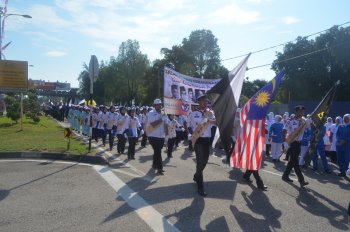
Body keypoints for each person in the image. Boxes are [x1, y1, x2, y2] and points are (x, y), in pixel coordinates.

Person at [188, 94, 216, 196]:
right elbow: (189, 125)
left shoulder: (210, 113)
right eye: (203, 101)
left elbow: (216, 123)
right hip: (198, 139)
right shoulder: (193, 113)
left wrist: (210, 120)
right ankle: (200, 187)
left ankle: (196, 175)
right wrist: (192, 133)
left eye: (206, 101)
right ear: (199, 102)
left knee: (205, 161)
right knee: (200, 161)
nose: (205, 103)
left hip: (207, 139)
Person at [282, 105, 309, 188]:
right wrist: (285, 142)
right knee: (295, 161)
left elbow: (311, 127)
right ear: (296, 112)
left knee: (292, 161)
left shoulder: (304, 121)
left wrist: (311, 120)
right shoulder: (290, 120)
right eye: (299, 112)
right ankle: (301, 180)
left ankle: (285, 176)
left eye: (302, 112)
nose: (301, 113)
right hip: (292, 142)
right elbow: (284, 130)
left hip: (298, 142)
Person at [146, 99, 167, 175]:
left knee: (157, 151)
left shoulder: (163, 113)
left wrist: (167, 134)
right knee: (158, 151)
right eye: (157, 105)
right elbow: (153, 124)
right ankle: (160, 167)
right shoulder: (151, 113)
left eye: (160, 104)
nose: (159, 106)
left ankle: (154, 164)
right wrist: (161, 120)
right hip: (152, 136)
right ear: (154, 106)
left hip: (161, 136)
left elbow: (165, 124)